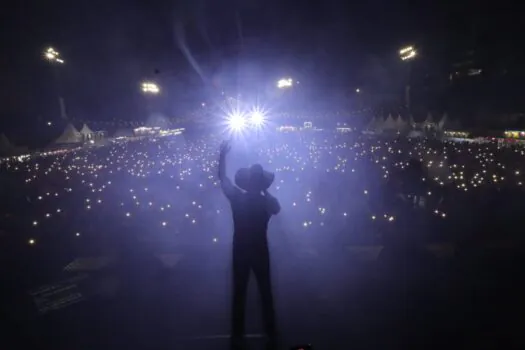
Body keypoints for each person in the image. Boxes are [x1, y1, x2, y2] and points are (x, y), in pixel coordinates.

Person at [218, 140, 281, 350]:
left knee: (240, 292)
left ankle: (237, 336)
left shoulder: (238, 198)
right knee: (265, 292)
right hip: (259, 250)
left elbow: (223, 179)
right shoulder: (265, 202)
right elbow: (277, 208)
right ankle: (270, 334)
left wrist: (222, 156)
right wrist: (265, 191)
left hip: (241, 250)